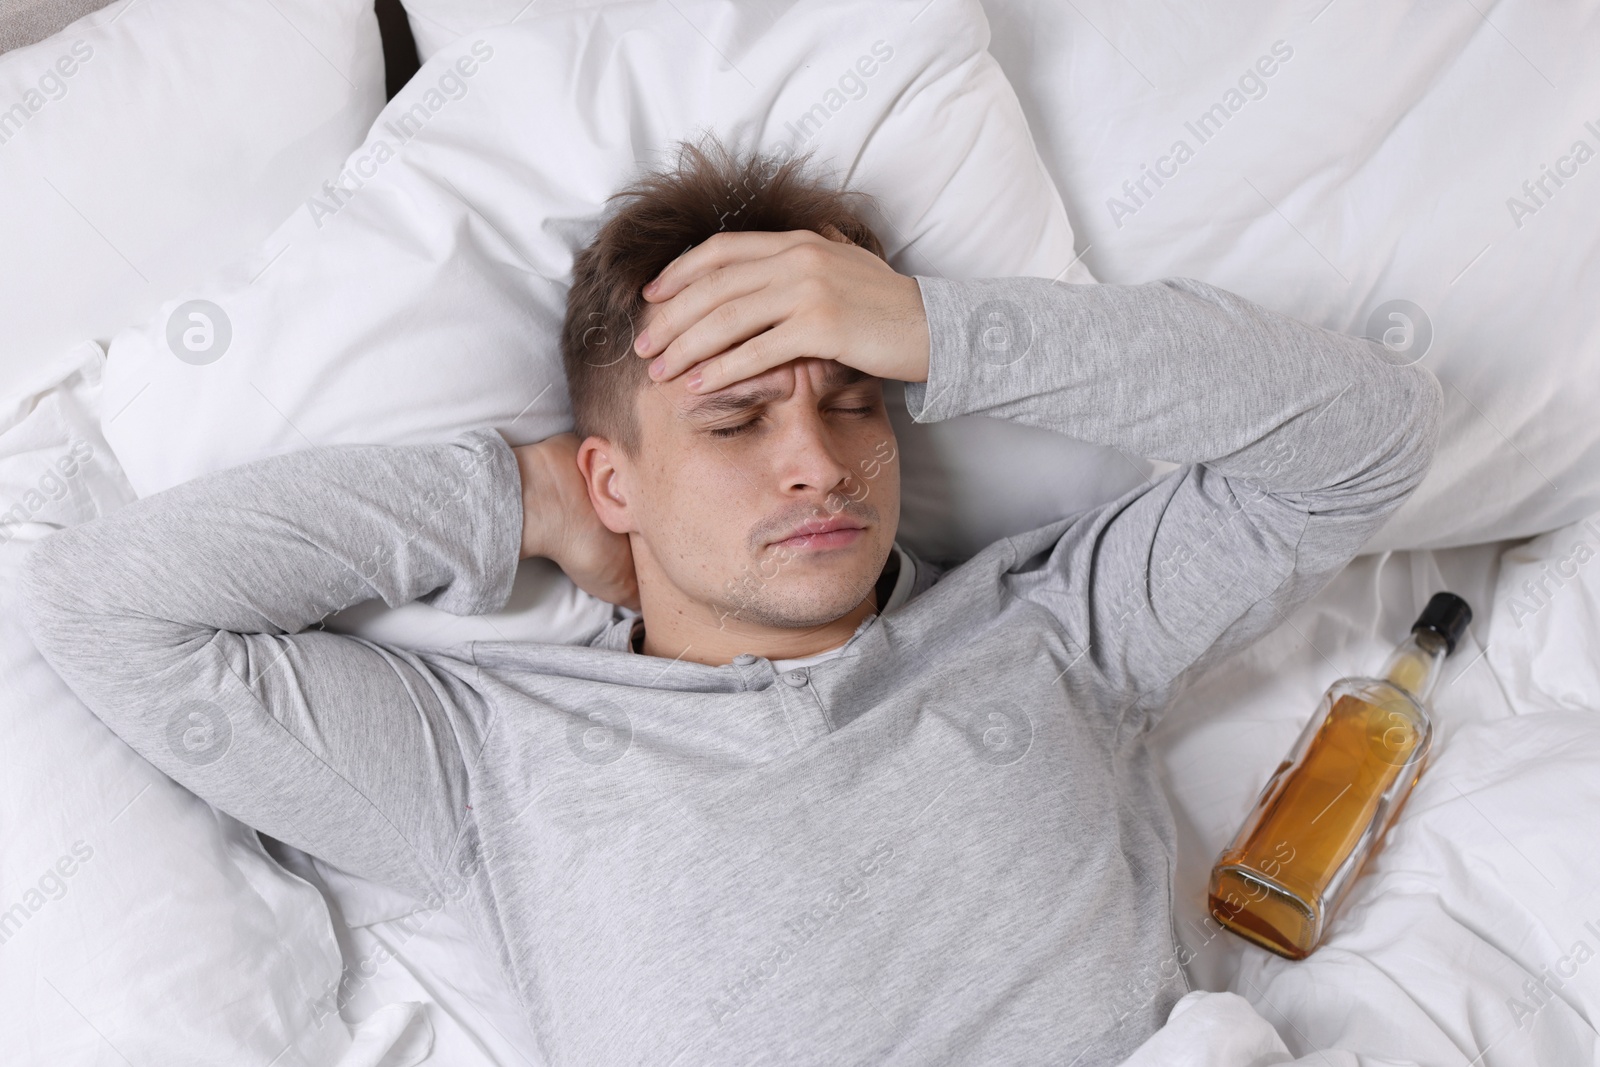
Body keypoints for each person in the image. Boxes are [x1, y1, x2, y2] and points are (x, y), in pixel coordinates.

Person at [19, 134, 1442, 1065]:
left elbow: (1369, 436)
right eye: (733, 421)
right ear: (615, 478)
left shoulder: (1057, 627)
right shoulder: (484, 761)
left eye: (854, 402)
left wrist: (932, 327)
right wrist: (512, 499)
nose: (819, 463)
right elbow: (106, 609)